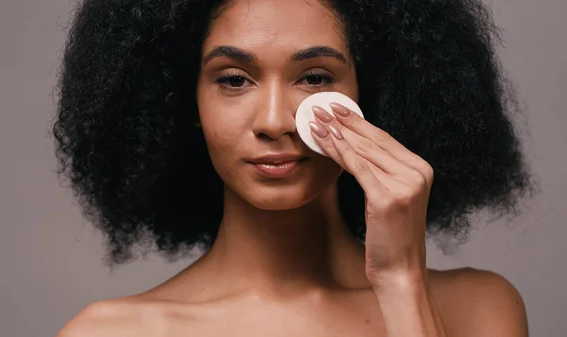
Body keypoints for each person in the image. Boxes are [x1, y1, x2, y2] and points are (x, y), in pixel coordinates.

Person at [52, 0, 536, 336]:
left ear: (373, 93)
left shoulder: (478, 311)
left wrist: (401, 282)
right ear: (186, 105)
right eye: (235, 79)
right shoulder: (109, 333)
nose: (274, 121)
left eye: (315, 77)